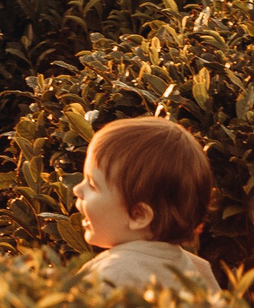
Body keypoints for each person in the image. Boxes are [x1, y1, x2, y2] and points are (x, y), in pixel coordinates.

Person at [73, 115, 220, 291]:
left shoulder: (111, 274)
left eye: (93, 185)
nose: (77, 190)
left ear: (139, 215)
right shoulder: (196, 270)